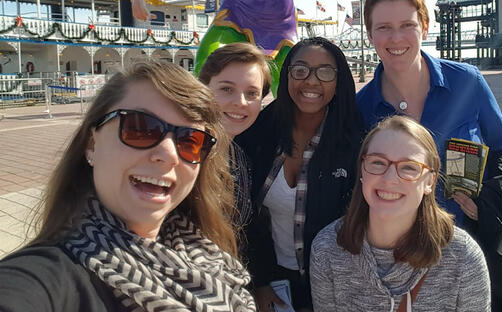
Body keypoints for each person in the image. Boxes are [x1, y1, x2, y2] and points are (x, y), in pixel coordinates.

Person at [0, 60, 255, 311]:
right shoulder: (48, 276)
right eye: (140, 128)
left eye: (190, 141)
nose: (168, 154)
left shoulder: (205, 254)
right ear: (92, 144)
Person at [356, 0, 502, 225]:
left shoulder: (466, 81)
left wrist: (493, 199)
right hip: (399, 242)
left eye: (407, 25)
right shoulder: (360, 106)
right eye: (384, 27)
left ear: (424, 28)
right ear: (370, 35)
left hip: (467, 236)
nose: (396, 37)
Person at [310, 115, 491, 312]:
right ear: (362, 171)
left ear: (430, 182)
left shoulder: (463, 257)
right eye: (378, 162)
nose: (389, 178)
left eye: (408, 167)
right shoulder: (327, 249)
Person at [237, 37, 363, 311]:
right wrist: (259, 280)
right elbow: (241, 213)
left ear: (339, 80)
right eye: (300, 69)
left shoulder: (355, 141)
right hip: (270, 281)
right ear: (287, 74)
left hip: (334, 283)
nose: (311, 81)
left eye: (325, 72)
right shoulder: (258, 131)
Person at [121, 0, 364, 88]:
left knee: (289, 82)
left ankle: (298, 149)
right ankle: (201, 134)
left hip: (278, 13)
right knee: (208, 57)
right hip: (237, 6)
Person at [198, 42, 272, 235]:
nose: (240, 102)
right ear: (204, 88)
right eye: (227, 89)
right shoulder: (186, 154)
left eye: (251, 93)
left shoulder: (239, 155)